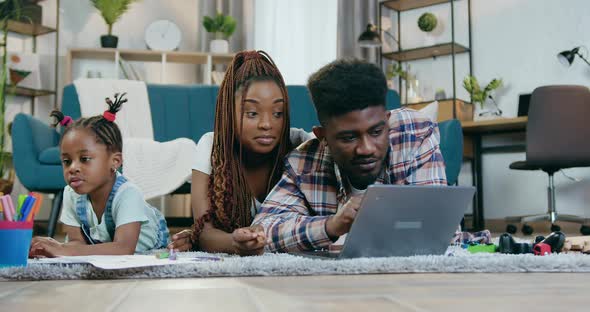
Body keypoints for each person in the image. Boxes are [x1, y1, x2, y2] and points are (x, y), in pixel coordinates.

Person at [252, 59, 448, 253]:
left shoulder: (415, 134)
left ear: (387, 122)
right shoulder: (303, 163)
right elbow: (262, 231)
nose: (366, 149)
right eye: (348, 138)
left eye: (376, 132)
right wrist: (330, 225)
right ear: (323, 137)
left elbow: (438, 226)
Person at [168, 50, 312, 255]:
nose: (266, 124)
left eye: (278, 113)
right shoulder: (212, 146)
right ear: (229, 112)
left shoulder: (300, 143)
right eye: (252, 113)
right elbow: (204, 232)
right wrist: (235, 243)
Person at [29, 94, 169, 257]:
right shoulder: (71, 193)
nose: (73, 168)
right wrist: (54, 250)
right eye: (66, 161)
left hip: (147, 247)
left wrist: (63, 249)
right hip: (104, 245)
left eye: (85, 159)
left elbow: (124, 249)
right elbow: (77, 243)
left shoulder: (128, 193)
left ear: (115, 162)